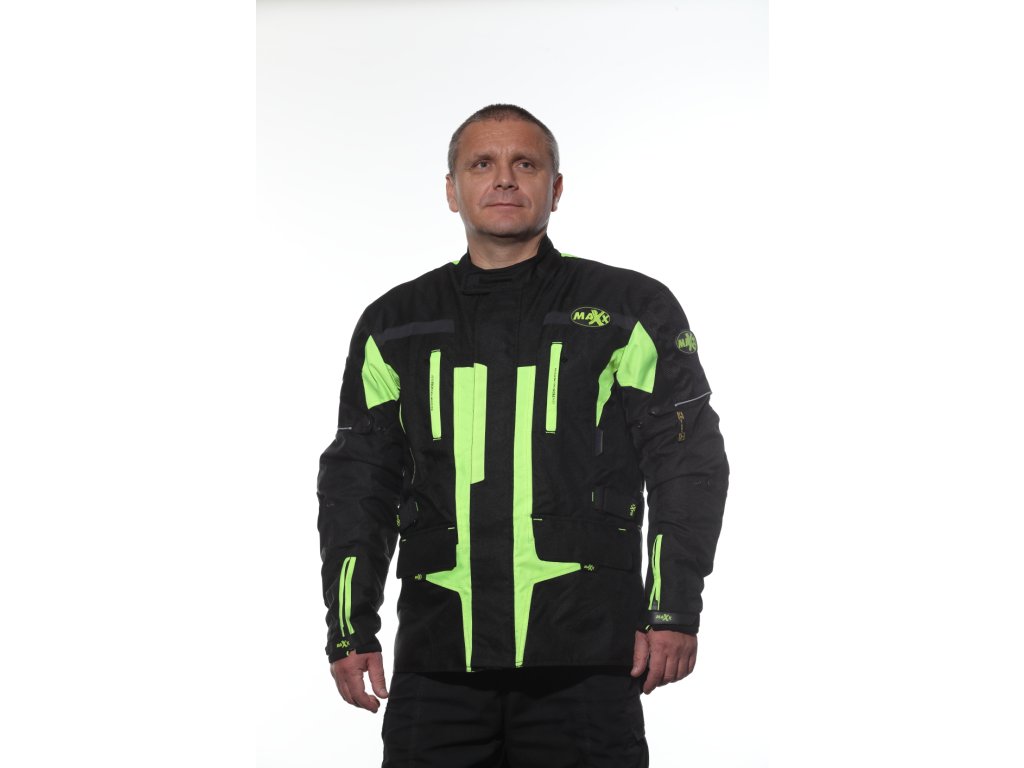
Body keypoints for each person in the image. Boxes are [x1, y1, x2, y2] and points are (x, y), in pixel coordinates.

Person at [317, 104, 729, 767]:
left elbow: (687, 464)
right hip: (440, 659)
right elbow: (359, 483)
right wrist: (349, 627)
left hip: (586, 658)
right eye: (482, 163)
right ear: (452, 189)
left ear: (555, 188)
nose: (504, 178)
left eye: (526, 164)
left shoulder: (629, 309)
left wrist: (674, 610)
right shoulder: (395, 323)